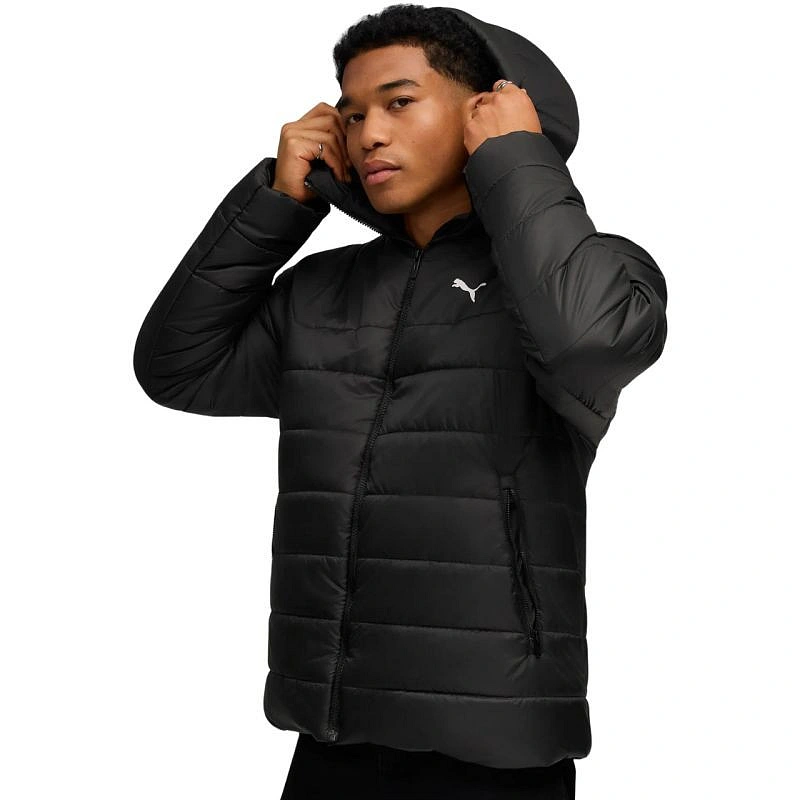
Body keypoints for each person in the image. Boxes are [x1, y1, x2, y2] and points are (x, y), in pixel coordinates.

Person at [133, 4, 668, 797]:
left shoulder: (588, 276)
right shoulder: (321, 290)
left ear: (486, 109)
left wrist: (517, 157)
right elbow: (176, 367)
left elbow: (590, 339)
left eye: (399, 101)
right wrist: (277, 202)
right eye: (351, 115)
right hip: (333, 736)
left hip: (499, 749)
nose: (369, 134)